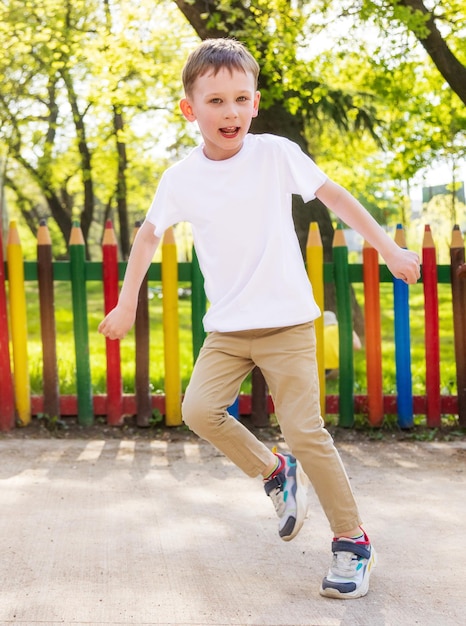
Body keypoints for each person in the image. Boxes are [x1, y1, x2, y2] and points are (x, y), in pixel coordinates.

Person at [98, 38, 421, 599]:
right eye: (216, 101)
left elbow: (335, 197)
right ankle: (274, 471)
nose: (231, 112)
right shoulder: (180, 179)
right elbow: (149, 236)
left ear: (255, 102)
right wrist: (127, 302)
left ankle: (352, 542)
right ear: (189, 109)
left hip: (288, 323)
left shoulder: (275, 153)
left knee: (304, 430)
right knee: (198, 409)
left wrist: (388, 250)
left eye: (241, 99)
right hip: (227, 328)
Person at [324, 310, 362, 379]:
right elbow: (357, 346)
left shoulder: (318, 332)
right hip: (339, 368)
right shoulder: (341, 329)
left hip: (320, 370)